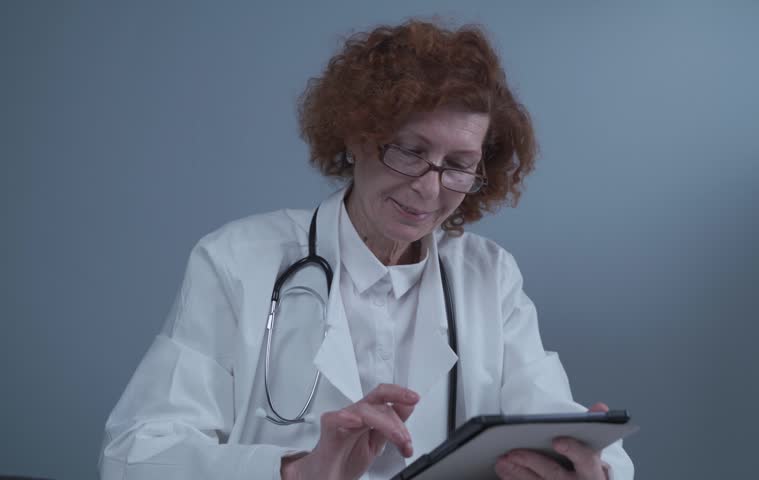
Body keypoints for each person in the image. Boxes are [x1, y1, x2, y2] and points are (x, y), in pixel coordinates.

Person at [99, 20, 634, 480]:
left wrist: (590, 466)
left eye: (458, 164)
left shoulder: (488, 276)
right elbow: (135, 456)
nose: (429, 188)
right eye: (409, 151)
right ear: (356, 139)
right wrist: (292, 472)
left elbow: (549, 419)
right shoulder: (238, 261)